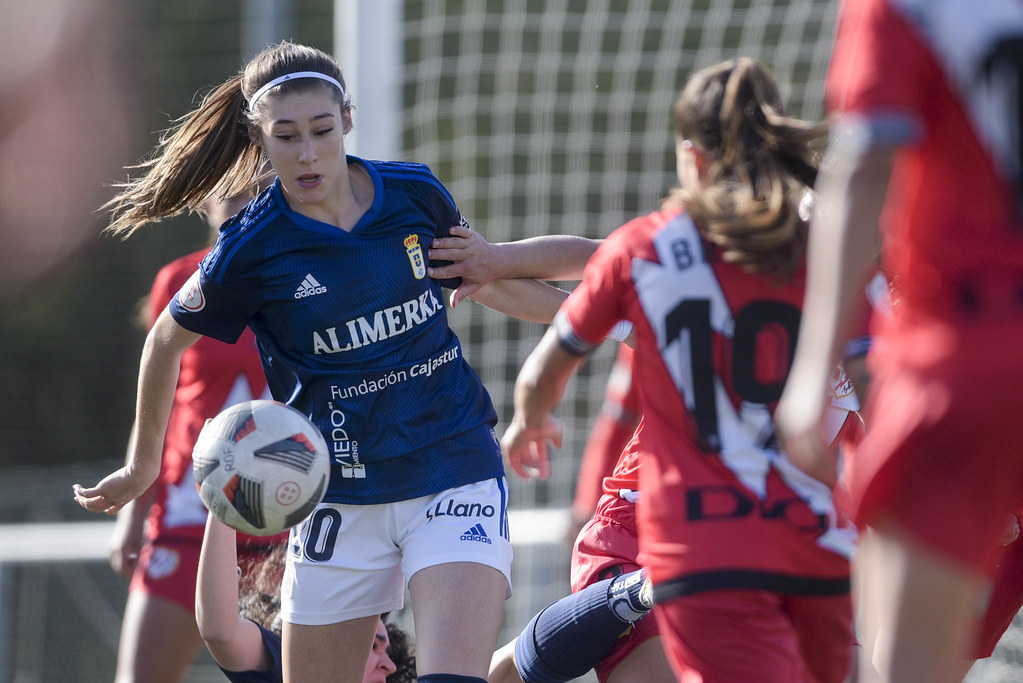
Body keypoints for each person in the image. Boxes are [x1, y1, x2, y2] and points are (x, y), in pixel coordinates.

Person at [73, 40, 573, 683]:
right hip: (340, 495)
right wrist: (141, 469)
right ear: (260, 139)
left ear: (347, 122)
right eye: (286, 137)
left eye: (321, 130)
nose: (307, 153)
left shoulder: (414, 194)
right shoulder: (250, 248)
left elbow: (486, 280)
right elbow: (164, 340)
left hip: (452, 466)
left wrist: (602, 323)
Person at [501, 58, 858, 681]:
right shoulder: (825, 273)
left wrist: (530, 416)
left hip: (726, 536)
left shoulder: (661, 251)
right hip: (674, 528)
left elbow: (569, 322)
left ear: (690, 158)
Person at [774, 0, 1023, 680]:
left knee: (900, 665)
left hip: (966, 354)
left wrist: (810, 367)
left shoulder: (906, 11)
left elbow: (862, 163)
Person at [109, 189, 285, 683]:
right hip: (189, 519)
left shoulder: (309, 275)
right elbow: (158, 407)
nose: (240, 200)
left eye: (253, 187)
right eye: (226, 191)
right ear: (202, 202)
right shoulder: (178, 281)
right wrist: (133, 511)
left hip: (288, 523)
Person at [195, 514, 415, 683]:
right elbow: (219, 631)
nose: (390, 666)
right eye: (374, 645)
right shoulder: (292, 667)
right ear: (320, 634)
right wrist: (224, 503)